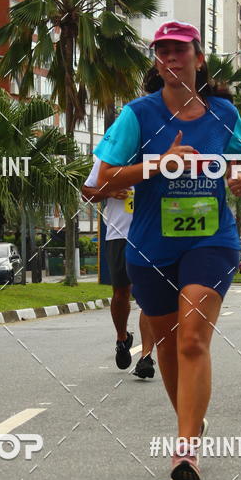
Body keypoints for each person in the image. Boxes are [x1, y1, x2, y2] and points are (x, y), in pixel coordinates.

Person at [94, 20, 241, 480]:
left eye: (179, 50)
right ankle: (191, 419)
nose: (170, 58)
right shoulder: (137, 115)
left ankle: (186, 450)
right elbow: (97, 183)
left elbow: (239, 159)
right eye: (161, 51)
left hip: (211, 241)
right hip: (150, 246)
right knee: (165, 346)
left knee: (192, 340)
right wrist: (157, 164)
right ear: (156, 63)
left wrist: (237, 178)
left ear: (198, 58)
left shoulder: (223, 112)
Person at [82, 160, 155, 377]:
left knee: (149, 297)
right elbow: (86, 192)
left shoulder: (158, 155)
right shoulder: (111, 159)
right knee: (121, 293)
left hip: (151, 235)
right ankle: (122, 338)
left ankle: (146, 357)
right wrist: (109, 191)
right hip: (119, 234)